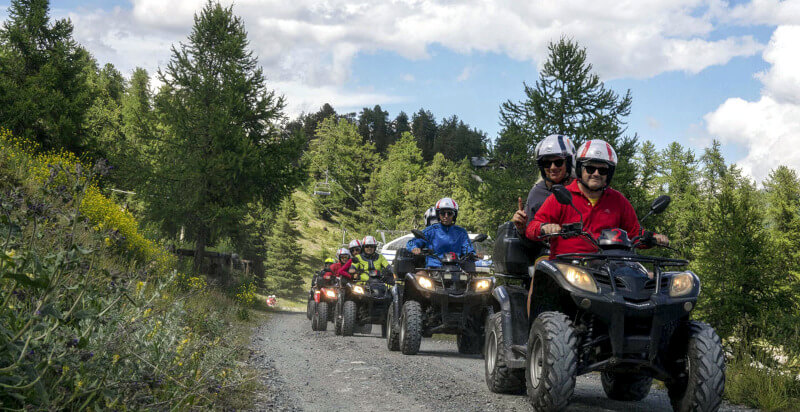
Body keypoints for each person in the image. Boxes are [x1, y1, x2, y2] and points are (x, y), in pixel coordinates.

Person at [526, 139, 669, 259]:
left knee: (648, 283)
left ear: (609, 173)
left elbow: (634, 234)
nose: (596, 174)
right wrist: (544, 228)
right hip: (568, 268)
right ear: (581, 169)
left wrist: (654, 238)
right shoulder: (562, 196)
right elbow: (532, 228)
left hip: (609, 267)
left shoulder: (618, 200)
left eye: (602, 170)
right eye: (590, 168)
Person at [512, 134, 576, 235]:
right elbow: (529, 242)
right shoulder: (537, 193)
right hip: (546, 249)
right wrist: (521, 229)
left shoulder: (581, 188)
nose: (553, 167)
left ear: (568, 163)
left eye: (558, 162)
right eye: (547, 163)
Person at [407, 197, 476, 268]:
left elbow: (468, 249)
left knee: (475, 278)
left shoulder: (461, 233)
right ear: (438, 215)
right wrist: (414, 248)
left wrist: (474, 255)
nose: (446, 216)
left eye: (449, 213)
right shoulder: (431, 231)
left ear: (454, 215)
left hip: (456, 270)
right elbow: (412, 242)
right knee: (419, 276)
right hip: (433, 270)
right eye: (443, 213)